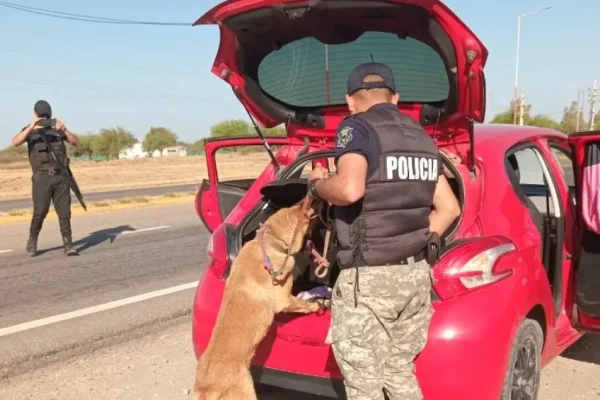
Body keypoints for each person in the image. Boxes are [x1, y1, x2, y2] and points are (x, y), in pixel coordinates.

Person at [307, 63, 460, 400]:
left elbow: (349, 189)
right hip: (415, 275)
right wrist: (412, 242)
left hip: (369, 281)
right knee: (398, 370)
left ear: (350, 100)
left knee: (365, 386)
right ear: (396, 97)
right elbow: (450, 208)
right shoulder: (422, 137)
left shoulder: (356, 129)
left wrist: (317, 185)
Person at [11, 100, 81, 257]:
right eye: (40, 116)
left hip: (61, 176)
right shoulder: (29, 132)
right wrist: (30, 127)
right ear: (35, 115)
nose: (43, 118)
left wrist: (65, 130)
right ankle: (32, 241)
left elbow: (76, 142)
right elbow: (15, 142)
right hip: (41, 177)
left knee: (64, 212)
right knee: (40, 211)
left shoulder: (57, 131)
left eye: (46, 116)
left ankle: (68, 244)